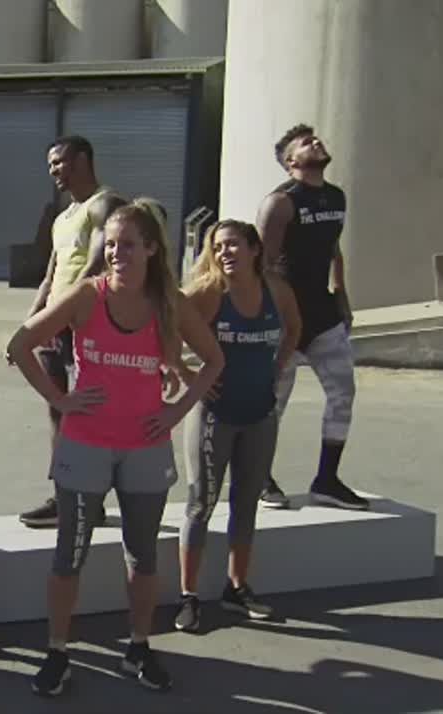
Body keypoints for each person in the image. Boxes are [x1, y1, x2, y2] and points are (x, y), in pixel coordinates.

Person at [6, 201, 224, 695]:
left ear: (151, 249)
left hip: (145, 448)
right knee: (70, 554)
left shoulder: (169, 303)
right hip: (85, 446)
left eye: (127, 245)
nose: (115, 253)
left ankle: (139, 648)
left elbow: (214, 360)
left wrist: (175, 411)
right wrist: (60, 398)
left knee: (142, 555)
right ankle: (57, 653)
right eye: (110, 244)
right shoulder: (87, 296)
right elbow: (21, 344)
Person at [173, 219, 301, 633]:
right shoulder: (210, 292)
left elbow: (294, 327)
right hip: (215, 414)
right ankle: (188, 596)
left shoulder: (276, 290)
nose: (224, 253)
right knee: (201, 504)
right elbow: (164, 327)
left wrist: (279, 365)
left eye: (232, 245)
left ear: (254, 249)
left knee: (246, 504)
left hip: (260, 413)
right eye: (218, 247)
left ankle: (237, 587)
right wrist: (187, 374)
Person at [16, 136, 127, 529]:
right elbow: (50, 277)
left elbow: (96, 266)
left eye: (59, 162)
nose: (53, 171)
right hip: (56, 326)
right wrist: (30, 325)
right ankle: (65, 494)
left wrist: (64, 315)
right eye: (50, 165)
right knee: (58, 408)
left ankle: (89, 498)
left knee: (86, 414)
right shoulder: (64, 217)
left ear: (82, 160)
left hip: (84, 324)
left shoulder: (105, 205)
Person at [256, 124, 367, 510]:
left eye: (316, 139)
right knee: (272, 404)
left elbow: (334, 248)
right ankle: (259, 477)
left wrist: (342, 295)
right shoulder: (280, 203)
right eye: (306, 143)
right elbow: (262, 266)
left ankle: (327, 480)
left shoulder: (336, 196)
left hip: (323, 316)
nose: (316, 143)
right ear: (291, 161)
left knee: (343, 393)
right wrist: (274, 317)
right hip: (285, 320)